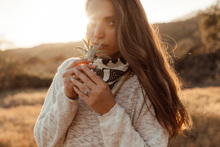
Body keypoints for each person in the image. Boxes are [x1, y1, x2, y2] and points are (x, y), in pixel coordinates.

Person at [34, 0, 192, 146]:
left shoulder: (148, 83)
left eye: (111, 22)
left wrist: (109, 111)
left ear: (131, 25)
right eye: (93, 21)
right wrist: (67, 98)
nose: (97, 33)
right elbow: (43, 141)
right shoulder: (69, 70)